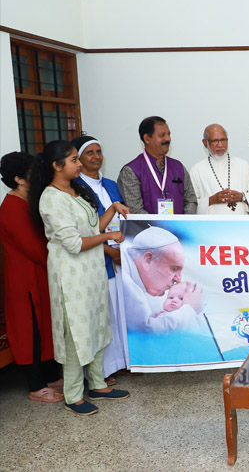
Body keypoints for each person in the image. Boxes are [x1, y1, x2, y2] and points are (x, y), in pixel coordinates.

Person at [29, 140, 131, 416]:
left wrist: (113, 209)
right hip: (71, 276)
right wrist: (109, 236)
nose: (79, 163)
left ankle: (98, 385)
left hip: (93, 273)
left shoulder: (76, 190)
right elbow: (74, 243)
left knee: (97, 326)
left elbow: (92, 228)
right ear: (56, 165)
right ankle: (73, 395)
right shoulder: (51, 198)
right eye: (74, 159)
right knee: (76, 334)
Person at [0, 152, 63, 403]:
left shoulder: (29, 202)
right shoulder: (12, 207)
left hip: (40, 273)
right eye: (32, 172)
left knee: (45, 325)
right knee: (32, 331)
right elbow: (34, 247)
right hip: (25, 278)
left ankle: (51, 377)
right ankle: (36, 386)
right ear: (18, 179)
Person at [73, 136, 129, 385]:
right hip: (99, 256)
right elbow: (84, 230)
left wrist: (123, 250)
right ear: (79, 160)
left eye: (99, 151)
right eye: (89, 153)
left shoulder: (110, 184)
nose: (96, 157)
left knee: (118, 312)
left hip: (119, 253)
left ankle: (121, 363)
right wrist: (109, 251)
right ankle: (102, 371)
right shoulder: (75, 187)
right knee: (102, 314)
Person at [121, 226, 205, 334]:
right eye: (174, 269)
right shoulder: (125, 280)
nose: (178, 279)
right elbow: (144, 332)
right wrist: (190, 308)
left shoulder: (125, 257)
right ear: (148, 260)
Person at [118, 116, 198, 215]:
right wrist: (160, 225)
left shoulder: (178, 167)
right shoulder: (131, 171)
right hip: (148, 225)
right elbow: (135, 210)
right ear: (147, 139)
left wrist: (184, 221)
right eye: (162, 135)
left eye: (169, 134)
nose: (168, 139)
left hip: (180, 225)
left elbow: (191, 200)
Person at [189, 124, 249, 215]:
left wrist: (242, 197)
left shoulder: (243, 165)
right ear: (205, 143)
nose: (220, 145)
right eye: (215, 141)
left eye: (223, 140)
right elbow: (191, 203)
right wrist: (211, 200)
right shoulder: (197, 170)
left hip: (240, 221)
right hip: (212, 222)